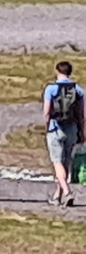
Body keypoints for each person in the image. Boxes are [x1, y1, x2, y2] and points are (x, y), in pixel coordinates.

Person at [48, 59, 84, 207]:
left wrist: (47, 126)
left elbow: (46, 111)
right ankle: (58, 195)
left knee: (57, 163)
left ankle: (67, 192)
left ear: (57, 72)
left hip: (55, 128)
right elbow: (81, 114)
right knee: (66, 162)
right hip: (72, 128)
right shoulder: (78, 89)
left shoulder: (51, 89)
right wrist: (82, 131)